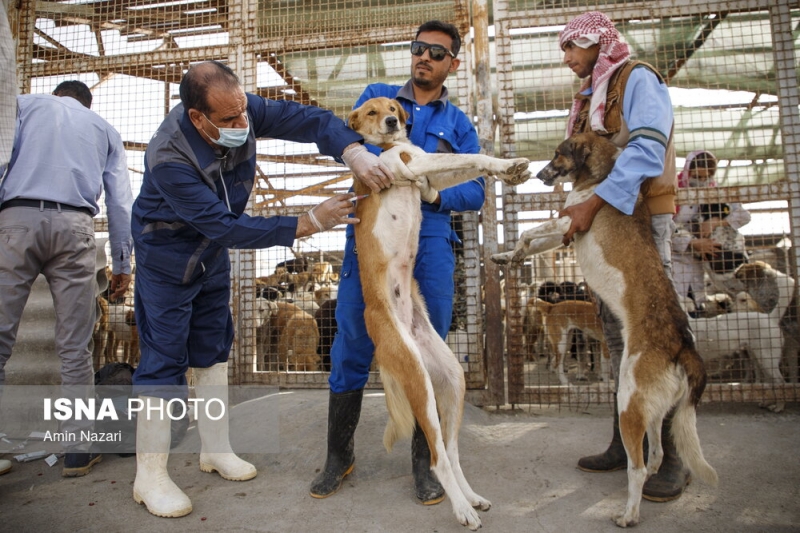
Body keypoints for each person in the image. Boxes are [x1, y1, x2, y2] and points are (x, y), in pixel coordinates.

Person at [130, 60, 401, 518]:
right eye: (230, 120)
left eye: (243, 113)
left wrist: (352, 150)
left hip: (211, 254)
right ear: (198, 118)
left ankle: (214, 449)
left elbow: (310, 120)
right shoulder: (168, 158)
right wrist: (308, 222)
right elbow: (224, 224)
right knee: (164, 360)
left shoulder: (240, 109)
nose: (243, 125)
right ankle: (149, 475)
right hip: (167, 256)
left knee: (214, 351)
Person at [309, 20, 486, 506]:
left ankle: (426, 464)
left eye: (436, 52)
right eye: (418, 49)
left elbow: (474, 190)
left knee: (429, 344)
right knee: (350, 339)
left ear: (452, 63)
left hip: (429, 238)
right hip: (373, 236)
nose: (424, 57)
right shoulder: (379, 99)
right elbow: (354, 149)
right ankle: (337, 455)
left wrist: (430, 186)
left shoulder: (459, 123)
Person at [556, 12, 690, 502]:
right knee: (618, 335)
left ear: (595, 42)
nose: (567, 58)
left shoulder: (636, 79)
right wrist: (578, 204)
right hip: (609, 223)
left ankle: (673, 458)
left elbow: (648, 150)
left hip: (639, 220)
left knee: (656, 331)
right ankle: (625, 440)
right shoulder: (594, 95)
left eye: (571, 47)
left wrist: (591, 202)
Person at [0, 80, 133, 477]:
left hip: (16, 219)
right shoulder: (104, 129)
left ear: (58, 95)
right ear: (86, 103)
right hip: (76, 226)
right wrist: (123, 262)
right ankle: (77, 450)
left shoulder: (22, 106)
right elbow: (120, 200)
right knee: (74, 346)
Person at [672, 150, 751, 313]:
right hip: (676, 256)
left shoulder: (715, 192)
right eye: (696, 176)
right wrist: (692, 243)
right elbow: (662, 226)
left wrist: (716, 222)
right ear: (687, 171)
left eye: (705, 177)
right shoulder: (674, 191)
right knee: (677, 304)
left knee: (697, 303)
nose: (701, 181)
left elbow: (744, 215)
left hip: (702, 261)